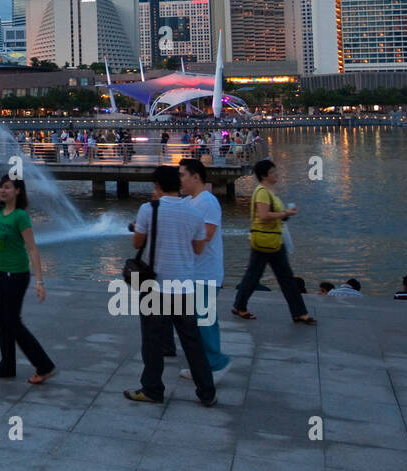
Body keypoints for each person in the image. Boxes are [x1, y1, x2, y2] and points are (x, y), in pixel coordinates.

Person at [123, 165, 216, 406]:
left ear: (157, 186)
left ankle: (153, 389)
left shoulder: (148, 209)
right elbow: (198, 249)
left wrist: (143, 230)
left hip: (155, 286)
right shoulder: (195, 214)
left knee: (152, 341)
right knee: (192, 343)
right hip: (184, 287)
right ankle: (207, 392)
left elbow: (137, 243)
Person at [0, 175, 55, 383]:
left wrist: (40, 281)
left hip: (17, 275)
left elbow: (33, 249)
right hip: (1, 273)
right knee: (3, 322)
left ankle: (43, 365)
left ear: (17, 191)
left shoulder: (20, 216)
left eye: (7, 187)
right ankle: (7, 365)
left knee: (12, 321)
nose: (2, 190)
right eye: (1, 187)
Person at [231, 159, 316, 324]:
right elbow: (263, 216)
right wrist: (284, 213)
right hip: (265, 241)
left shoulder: (269, 191)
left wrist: (285, 214)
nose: (276, 174)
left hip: (273, 240)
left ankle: (299, 312)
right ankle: (240, 306)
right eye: (273, 172)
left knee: (282, 278)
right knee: (259, 277)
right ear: (264, 175)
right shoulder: (262, 192)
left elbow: (272, 215)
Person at [178, 158, 231, 378]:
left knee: (205, 321)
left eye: (182, 174)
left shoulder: (207, 202)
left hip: (206, 272)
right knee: (197, 321)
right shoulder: (190, 201)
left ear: (196, 176)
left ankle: (216, 363)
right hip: (194, 273)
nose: (179, 179)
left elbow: (206, 235)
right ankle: (202, 364)